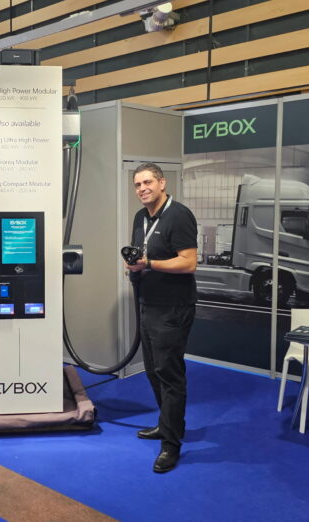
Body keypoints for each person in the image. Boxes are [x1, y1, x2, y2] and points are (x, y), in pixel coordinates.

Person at [125, 163, 197, 474]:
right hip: (148, 303)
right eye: (137, 184)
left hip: (172, 308)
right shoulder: (140, 217)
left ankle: (171, 445)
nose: (142, 189)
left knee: (169, 375)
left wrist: (149, 264)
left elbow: (189, 262)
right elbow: (140, 254)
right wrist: (134, 266)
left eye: (148, 182)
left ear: (162, 183)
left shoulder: (179, 216)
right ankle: (167, 424)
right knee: (154, 372)